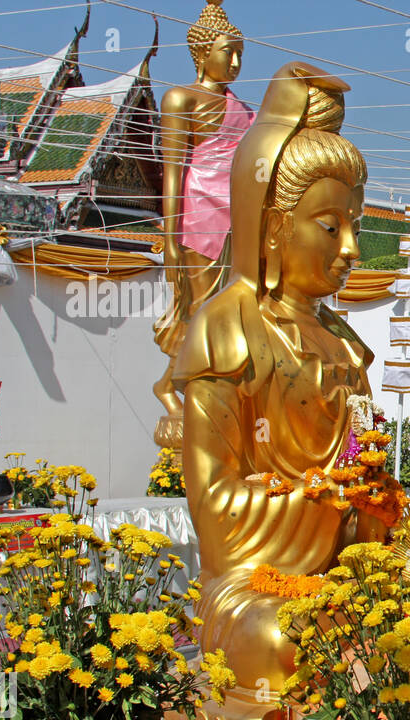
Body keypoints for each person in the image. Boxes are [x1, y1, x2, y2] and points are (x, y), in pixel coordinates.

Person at [124, 63, 378, 720]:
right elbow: (216, 510)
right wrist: (324, 502)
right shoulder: (225, 330)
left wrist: (371, 508)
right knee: (284, 640)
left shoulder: (340, 347)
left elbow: (359, 481)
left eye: (355, 226)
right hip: (251, 587)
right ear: (272, 225)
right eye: (330, 227)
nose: (351, 249)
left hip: (335, 572)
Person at [152, 1, 254, 424]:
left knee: (231, 311)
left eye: (240, 55)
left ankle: (196, 383)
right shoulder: (180, 98)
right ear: (201, 52)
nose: (234, 61)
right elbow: (173, 173)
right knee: (198, 310)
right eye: (226, 51)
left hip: (238, 217)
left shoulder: (247, 111)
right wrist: (172, 236)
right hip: (197, 215)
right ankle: (176, 384)